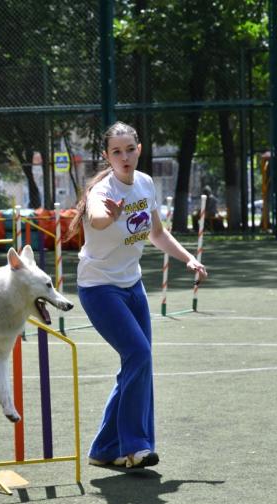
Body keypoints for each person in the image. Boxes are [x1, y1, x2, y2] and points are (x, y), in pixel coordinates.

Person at [67, 121, 208, 469]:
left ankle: (104, 449)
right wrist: (107, 214)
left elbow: (156, 233)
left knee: (137, 362)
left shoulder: (145, 184)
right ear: (107, 156)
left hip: (133, 286)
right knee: (139, 354)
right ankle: (134, 447)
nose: (124, 156)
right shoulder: (102, 192)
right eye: (116, 151)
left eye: (129, 149)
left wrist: (188, 257)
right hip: (99, 288)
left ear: (139, 149)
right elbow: (98, 218)